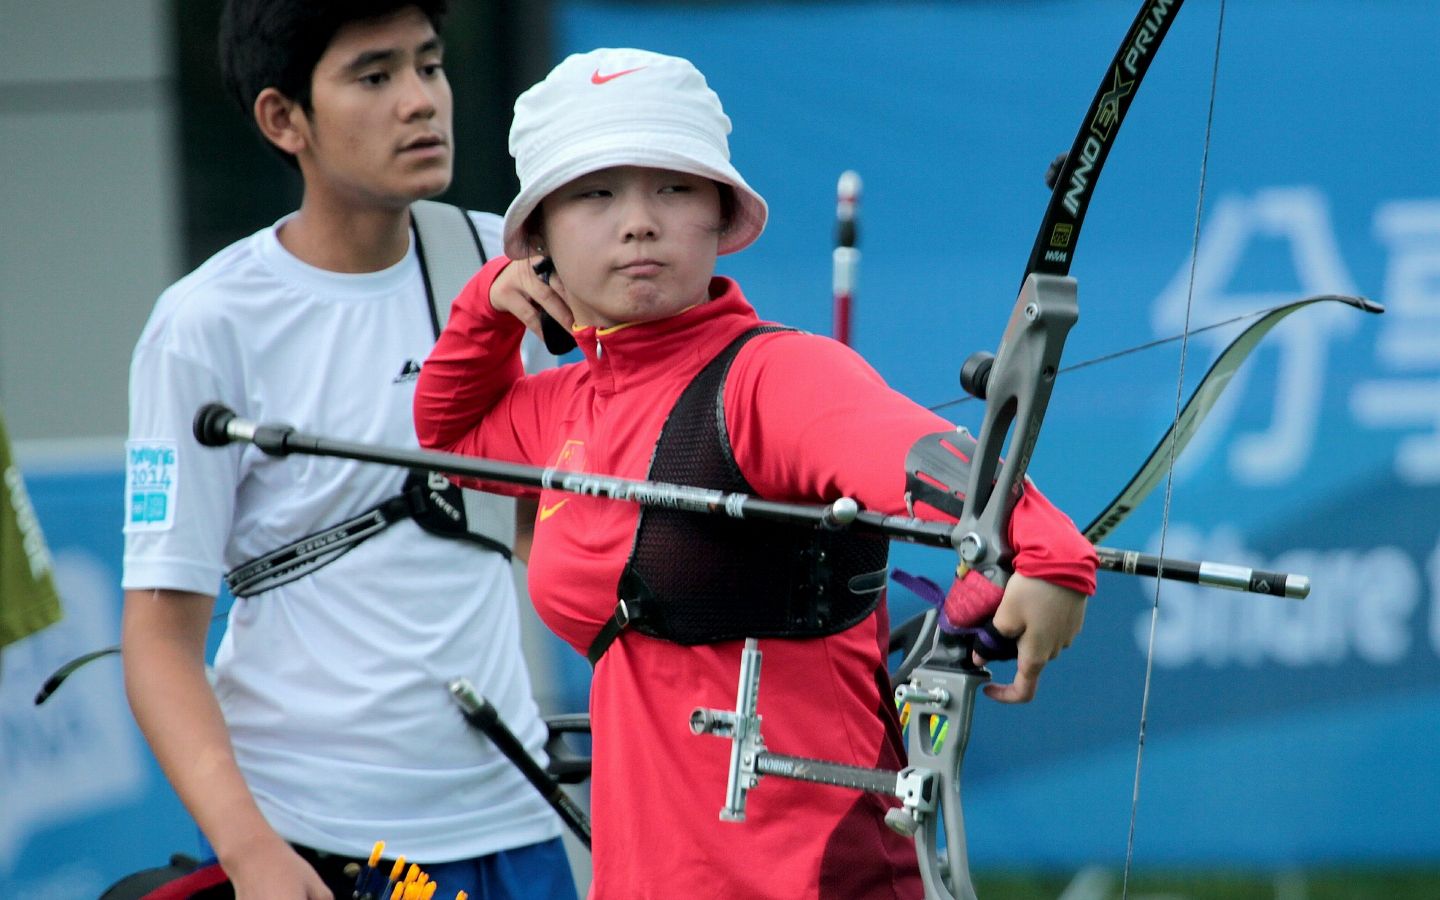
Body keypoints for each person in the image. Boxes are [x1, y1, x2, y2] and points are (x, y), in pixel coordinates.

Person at [413, 48, 1099, 899]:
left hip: (813, 875)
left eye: (673, 188)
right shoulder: (564, 407)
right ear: (540, 240)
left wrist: (1045, 553)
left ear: (718, 214)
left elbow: (925, 460)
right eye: (594, 194)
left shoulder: (772, 377)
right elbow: (449, 435)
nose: (638, 222)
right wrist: (487, 303)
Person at [120, 3, 577, 899]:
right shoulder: (206, 323)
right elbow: (160, 639)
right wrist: (251, 852)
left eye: (431, 66)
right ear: (283, 119)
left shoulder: (509, 265)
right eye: (375, 76)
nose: (420, 101)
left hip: (517, 812)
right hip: (320, 836)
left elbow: (555, 528)